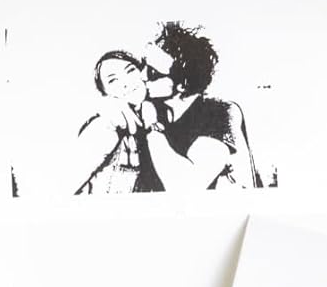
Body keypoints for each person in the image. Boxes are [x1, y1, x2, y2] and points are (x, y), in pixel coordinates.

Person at [132, 21, 264, 192]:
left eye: (152, 73)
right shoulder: (152, 108)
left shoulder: (220, 112)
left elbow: (185, 185)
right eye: (142, 66)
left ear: (183, 85)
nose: (141, 76)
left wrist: (152, 127)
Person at [74, 51, 147, 195]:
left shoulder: (155, 118)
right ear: (105, 93)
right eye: (113, 80)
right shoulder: (106, 125)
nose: (126, 83)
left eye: (130, 71)